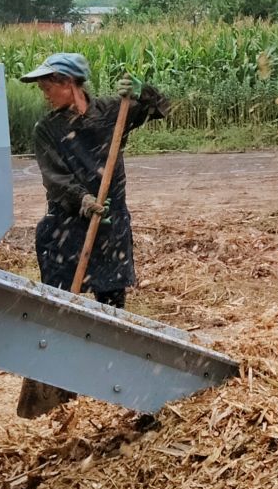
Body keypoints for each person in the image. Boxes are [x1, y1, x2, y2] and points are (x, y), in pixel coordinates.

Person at [20, 52, 169, 304]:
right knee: (61, 301)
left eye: (48, 87)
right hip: (67, 222)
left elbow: (161, 108)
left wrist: (144, 92)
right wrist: (84, 200)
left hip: (110, 221)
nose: (45, 95)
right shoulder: (47, 128)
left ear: (67, 82)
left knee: (111, 300)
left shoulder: (112, 112)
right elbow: (55, 177)